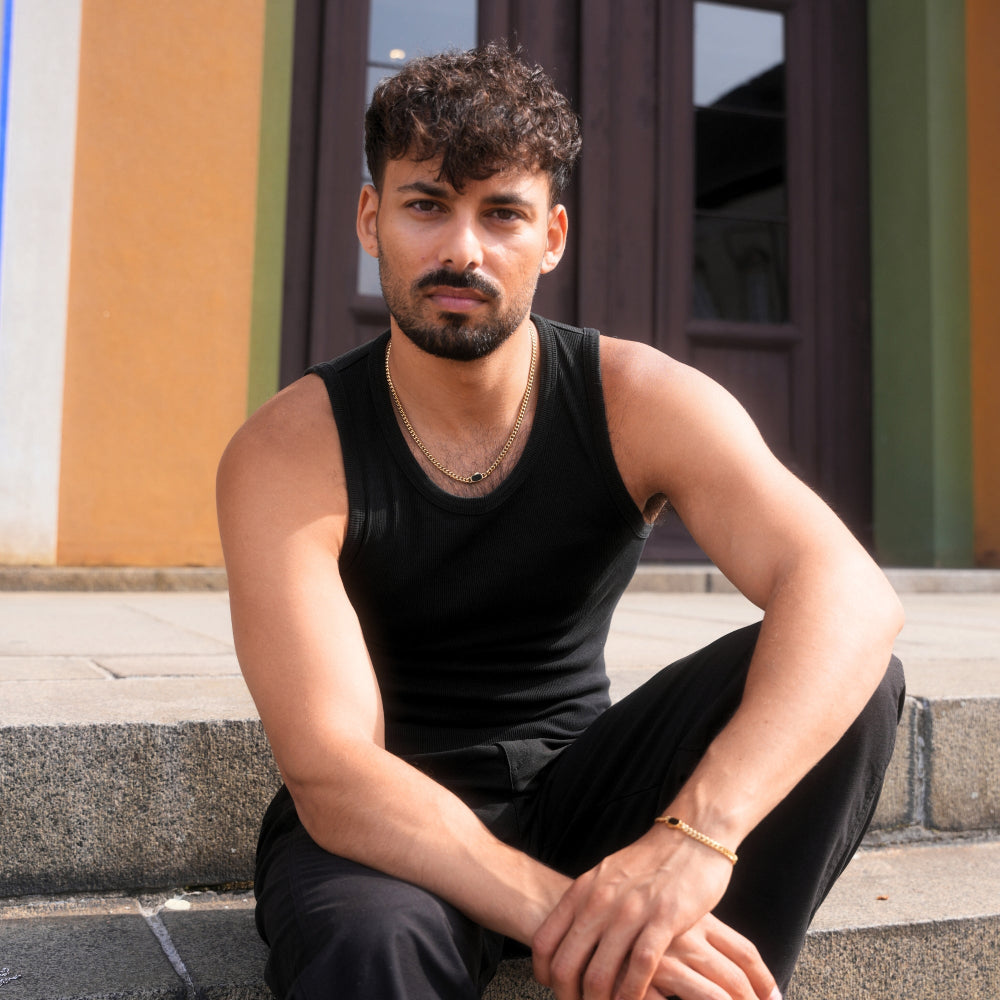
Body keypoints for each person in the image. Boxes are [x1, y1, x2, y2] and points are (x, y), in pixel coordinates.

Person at [217, 43, 905, 1000]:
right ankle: (652, 959)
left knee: (848, 680)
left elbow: (852, 594)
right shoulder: (290, 450)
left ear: (553, 236)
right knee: (371, 944)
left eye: (502, 213)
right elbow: (332, 769)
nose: (463, 250)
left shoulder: (635, 397)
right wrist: (564, 912)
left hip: (584, 789)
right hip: (385, 833)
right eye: (426, 206)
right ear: (371, 219)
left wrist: (693, 841)